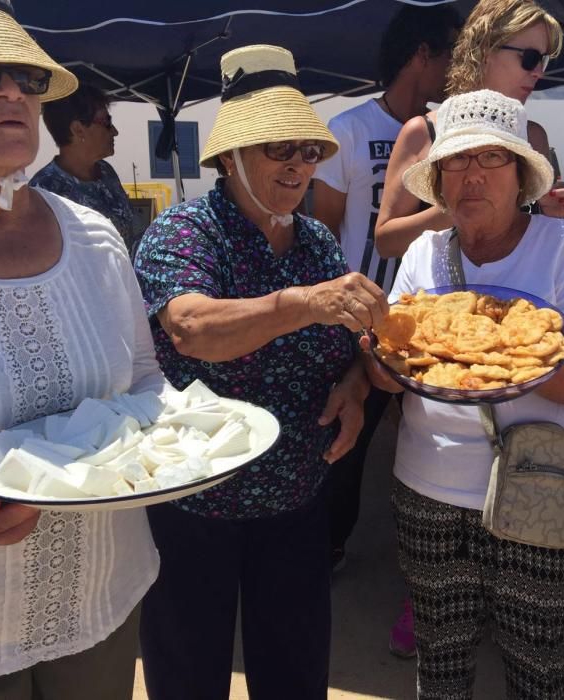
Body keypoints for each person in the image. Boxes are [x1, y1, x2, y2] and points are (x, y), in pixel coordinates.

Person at [0, 1, 164, 697]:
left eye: (24, 74)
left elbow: (141, 378)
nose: (10, 91)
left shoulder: (95, 237)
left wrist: (197, 437)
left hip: (102, 604)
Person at [133, 45, 386, 700]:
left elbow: (352, 344)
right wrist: (299, 304)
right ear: (229, 157)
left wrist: (355, 388)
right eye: (279, 149)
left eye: (306, 151)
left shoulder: (316, 242)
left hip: (296, 499)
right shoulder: (186, 233)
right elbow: (191, 328)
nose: (299, 165)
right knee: (189, 679)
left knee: (296, 676)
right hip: (195, 505)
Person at [366, 89, 564, 699]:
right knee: (441, 670)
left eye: (492, 159)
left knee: (537, 672)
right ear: (440, 178)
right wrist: (376, 347)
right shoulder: (424, 251)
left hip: (540, 492)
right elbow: (388, 372)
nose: (473, 174)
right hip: (428, 494)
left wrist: (492, 365)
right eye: (457, 160)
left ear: (521, 174)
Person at [311, 5, 461, 654]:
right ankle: (328, 544)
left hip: (438, 325)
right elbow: (321, 234)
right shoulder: (348, 130)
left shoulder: (454, 135)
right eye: (451, 58)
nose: (458, 73)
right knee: (348, 439)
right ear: (422, 55)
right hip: (360, 324)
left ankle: (432, 582)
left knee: (435, 452)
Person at [374, 0, 564, 261]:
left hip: (514, 296)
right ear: (485, 50)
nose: (539, 72)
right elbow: (386, 241)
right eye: (530, 59)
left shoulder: (533, 136)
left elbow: (541, 244)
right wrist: (462, 208)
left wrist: (549, 210)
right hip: (441, 297)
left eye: (544, 61)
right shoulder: (422, 131)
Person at [30, 84, 136, 254]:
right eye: (107, 122)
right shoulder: (46, 190)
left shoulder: (106, 172)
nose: (114, 131)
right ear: (78, 129)